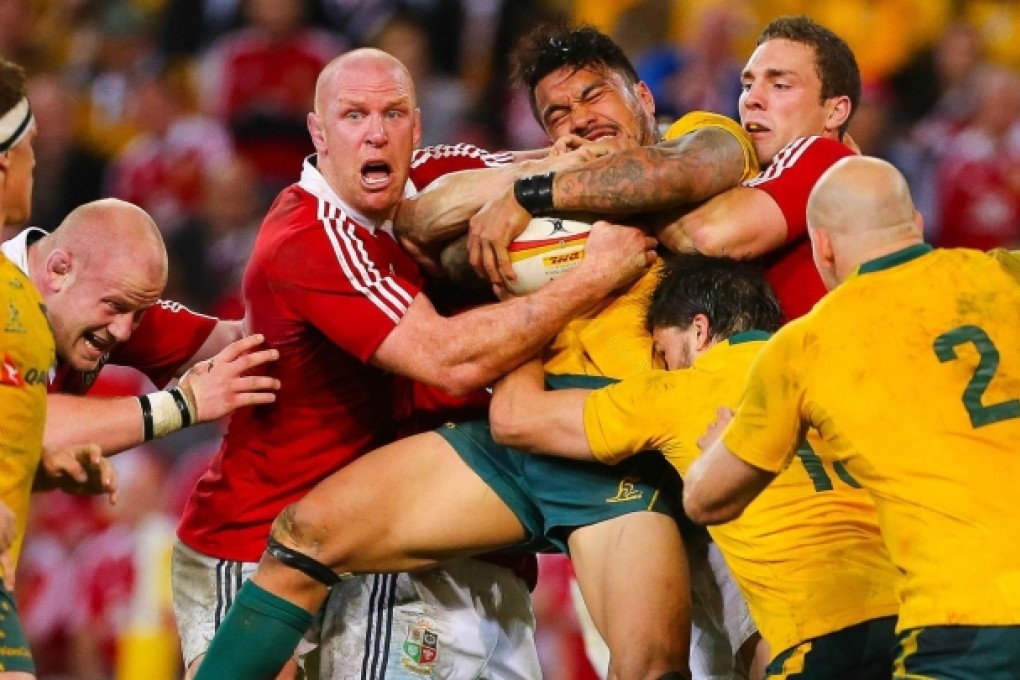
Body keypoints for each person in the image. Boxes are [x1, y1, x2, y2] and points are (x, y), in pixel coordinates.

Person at [175, 47, 657, 680]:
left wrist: (543, 181)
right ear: (318, 133)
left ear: (418, 126)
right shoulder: (309, 238)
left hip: (415, 538)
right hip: (258, 536)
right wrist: (591, 276)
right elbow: (447, 360)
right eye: (353, 116)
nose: (376, 132)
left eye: (393, 113)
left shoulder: (442, 174)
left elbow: (549, 164)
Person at [489, 251, 901, 679]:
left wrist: (526, 312)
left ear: (700, 330)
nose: (661, 364)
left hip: (817, 641)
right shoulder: (837, 374)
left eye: (663, 350)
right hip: (917, 623)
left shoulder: (683, 392)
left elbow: (515, 418)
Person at [685, 155, 1020, 679]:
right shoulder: (1005, 274)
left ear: (822, 245)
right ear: (917, 225)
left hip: (963, 621)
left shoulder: (803, 347)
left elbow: (706, 499)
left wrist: (718, 447)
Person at [0, 55, 118, 680]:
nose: (38, 162)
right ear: (3, 159)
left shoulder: (16, 289)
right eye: (31, 147)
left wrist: (39, 470)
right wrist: (181, 407)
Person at [1, 198, 281, 458]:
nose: (123, 332)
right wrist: (183, 405)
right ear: (58, 270)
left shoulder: (111, 299)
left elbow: (240, 343)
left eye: (138, 314)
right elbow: (26, 427)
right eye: (115, 305)